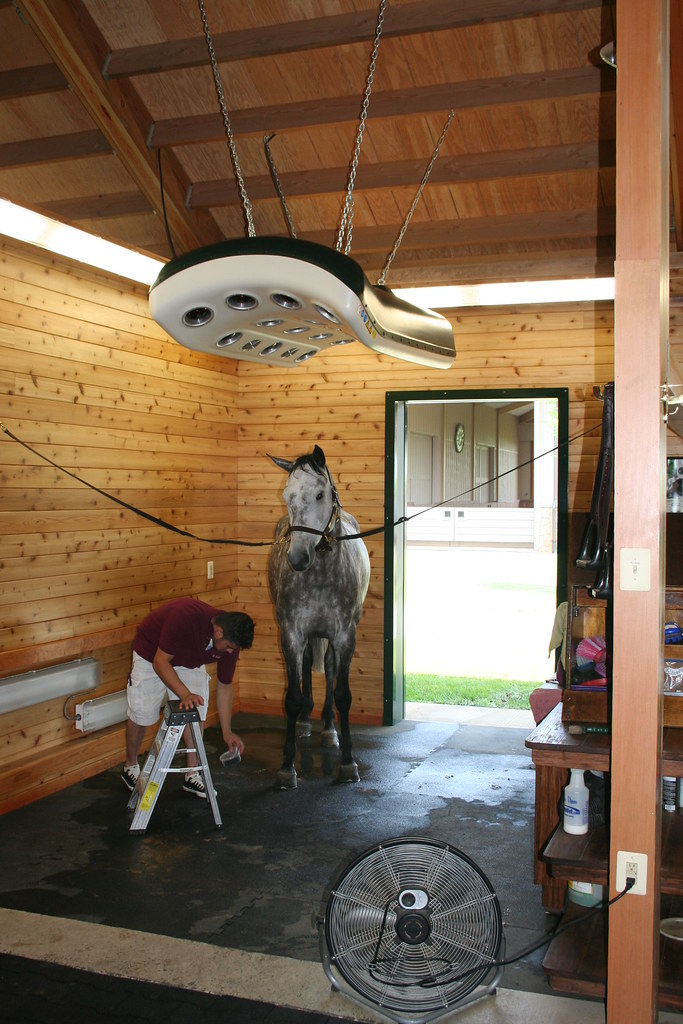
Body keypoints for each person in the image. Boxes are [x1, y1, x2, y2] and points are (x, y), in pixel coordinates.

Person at [121, 598, 254, 798]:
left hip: (188, 659)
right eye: (228, 646)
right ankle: (130, 765)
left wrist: (227, 732)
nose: (230, 651)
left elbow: (225, 685)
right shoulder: (185, 618)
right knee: (142, 714)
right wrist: (184, 694)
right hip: (152, 654)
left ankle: (193, 773)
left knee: (197, 710)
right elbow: (160, 661)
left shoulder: (230, 640)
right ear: (218, 632)